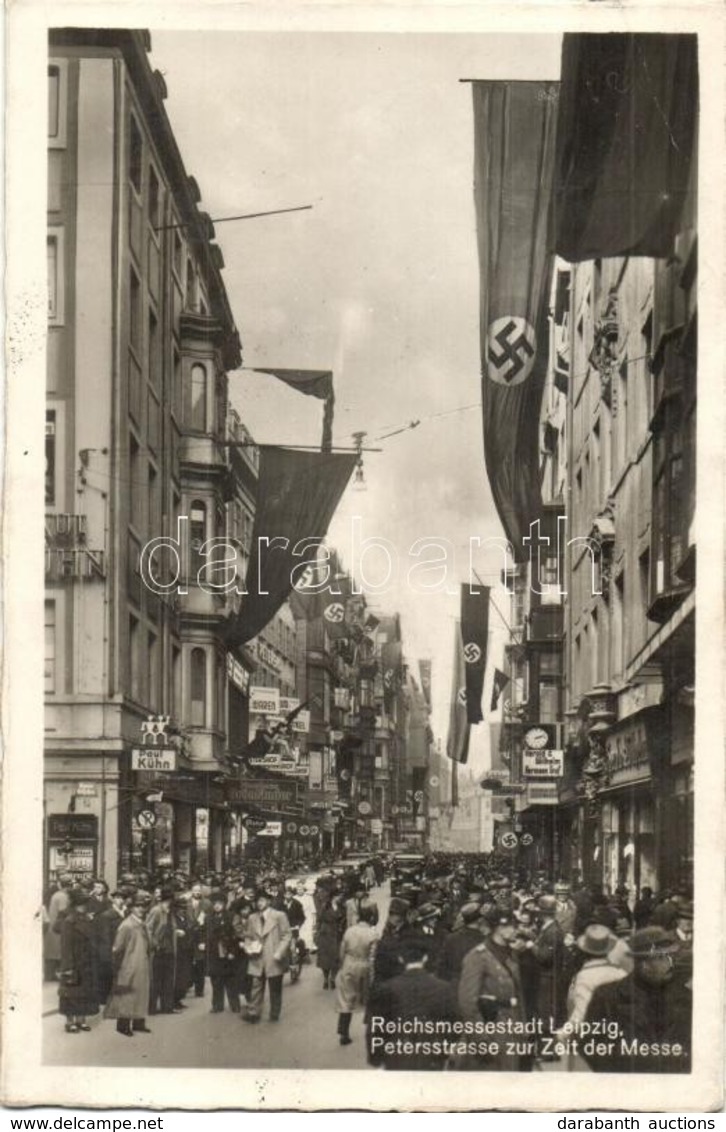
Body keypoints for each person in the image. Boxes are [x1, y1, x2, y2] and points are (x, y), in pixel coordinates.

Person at [583, 926, 692, 1073]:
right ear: (643, 964)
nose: (670, 964)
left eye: (671, 956)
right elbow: (591, 1047)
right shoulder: (608, 997)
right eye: (661, 958)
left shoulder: (686, 998)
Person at [367, 938, 460, 1070]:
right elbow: (454, 1023)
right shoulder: (443, 988)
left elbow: (376, 1027)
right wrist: (446, 1048)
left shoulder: (387, 989)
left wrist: (376, 1057)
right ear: (425, 958)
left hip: (396, 1056)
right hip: (432, 1056)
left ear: (400, 958)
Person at [457, 905, 531, 1071]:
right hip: (491, 1031)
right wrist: (481, 1040)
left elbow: (518, 996)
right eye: (511, 925)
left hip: (512, 1030)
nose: (516, 929)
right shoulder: (477, 957)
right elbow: (468, 1003)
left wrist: (523, 1030)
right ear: (499, 928)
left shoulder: (511, 954)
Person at [104, 891, 153, 1037]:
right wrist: (118, 967)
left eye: (143, 906)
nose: (140, 909)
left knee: (141, 993)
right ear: (131, 908)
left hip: (142, 963)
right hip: (129, 964)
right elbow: (118, 947)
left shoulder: (141, 923)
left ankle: (139, 1022)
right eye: (137, 906)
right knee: (128, 995)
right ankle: (123, 1025)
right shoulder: (127, 925)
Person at [241, 888, 292, 1023]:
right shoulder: (252, 918)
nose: (259, 903)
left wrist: (280, 952)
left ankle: (274, 1013)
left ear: (268, 901)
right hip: (257, 957)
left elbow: (286, 935)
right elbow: (248, 936)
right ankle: (254, 1012)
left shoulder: (279, 916)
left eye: (262, 900)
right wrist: (248, 947)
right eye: (257, 901)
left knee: (275, 987)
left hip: (273, 956)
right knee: (256, 986)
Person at [57, 888, 101, 1033]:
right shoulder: (69, 921)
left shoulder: (86, 918)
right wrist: (67, 967)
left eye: (85, 903)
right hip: (74, 962)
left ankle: (81, 1020)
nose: (84, 906)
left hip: (86, 962)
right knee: (71, 993)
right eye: (82, 903)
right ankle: (70, 1022)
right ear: (76, 904)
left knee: (83, 992)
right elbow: (66, 946)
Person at [336, 903, 378, 1046]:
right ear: (371, 918)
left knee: (346, 999)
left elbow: (342, 950)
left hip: (349, 963)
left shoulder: (349, 931)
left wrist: (343, 966)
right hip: (364, 965)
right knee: (368, 1000)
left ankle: (343, 1032)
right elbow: (373, 956)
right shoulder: (373, 934)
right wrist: (373, 975)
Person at [207, 889, 242, 1013]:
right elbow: (205, 933)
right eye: (214, 904)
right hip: (214, 952)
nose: (216, 906)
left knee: (230, 980)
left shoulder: (231, 916)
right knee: (216, 980)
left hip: (228, 951)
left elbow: (236, 935)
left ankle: (235, 1005)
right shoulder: (209, 917)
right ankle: (217, 1005)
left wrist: (233, 951)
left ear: (224, 904)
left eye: (219, 903)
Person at [435, 902, 488, 985]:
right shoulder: (485, 940)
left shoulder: (451, 938)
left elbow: (442, 968)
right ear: (480, 920)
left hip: (455, 985)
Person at [146, 887, 179, 1014]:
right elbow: (148, 929)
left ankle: (167, 1007)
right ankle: (152, 1007)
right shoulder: (156, 911)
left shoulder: (170, 912)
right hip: (159, 951)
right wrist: (154, 944)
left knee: (168, 979)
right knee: (156, 980)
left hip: (169, 950)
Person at [315, 888, 345, 990]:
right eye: (338, 896)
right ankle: (325, 979)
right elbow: (319, 920)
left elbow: (344, 920)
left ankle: (332, 979)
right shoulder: (325, 907)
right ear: (333, 897)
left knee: (336, 958)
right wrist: (317, 933)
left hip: (337, 934)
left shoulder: (342, 907)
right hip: (326, 934)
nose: (340, 898)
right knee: (325, 959)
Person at [45, 874, 72, 981]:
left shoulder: (57, 894)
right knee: (57, 952)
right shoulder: (63, 896)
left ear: (60, 884)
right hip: (58, 927)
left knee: (52, 952)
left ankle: (49, 974)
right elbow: (63, 911)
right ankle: (51, 975)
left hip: (53, 926)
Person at [187, 882, 212, 997]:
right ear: (191, 891)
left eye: (198, 890)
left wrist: (204, 941)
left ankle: (199, 989)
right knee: (188, 962)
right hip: (188, 936)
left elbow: (210, 922)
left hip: (201, 937)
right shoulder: (186, 903)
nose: (197, 892)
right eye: (194, 890)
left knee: (200, 963)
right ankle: (188, 983)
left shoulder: (207, 904)